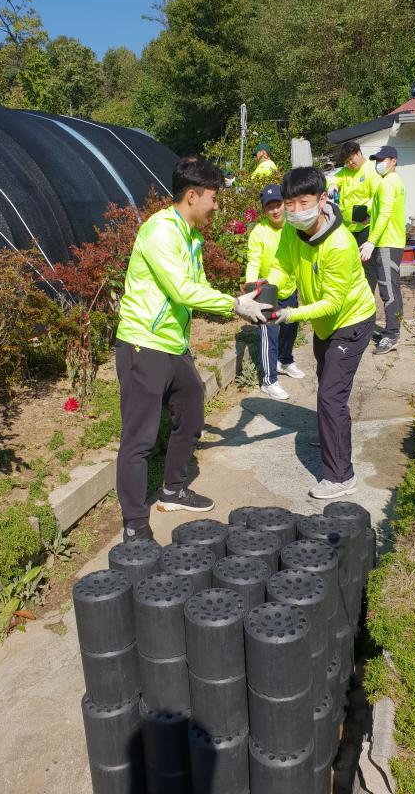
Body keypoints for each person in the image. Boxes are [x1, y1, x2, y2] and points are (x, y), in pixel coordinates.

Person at [115, 157, 271, 540]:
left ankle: (173, 490)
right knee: (139, 440)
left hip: (173, 344)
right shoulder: (160, 232)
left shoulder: (191, 237)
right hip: (143, 343)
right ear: (191, 196)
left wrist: (237, 300)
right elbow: (182, 290)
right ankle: (135, 526)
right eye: (213, 198)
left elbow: (196, 288)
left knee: (191, 412)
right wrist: (234, 306)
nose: (216, 206)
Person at [268, 167, 376, 500]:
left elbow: (332, 303)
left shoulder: (340, 243)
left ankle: (342, 476)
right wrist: (266, 291)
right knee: (326, 385)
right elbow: (282, 266)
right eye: (290, 204)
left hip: (351, 321)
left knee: (331, 396)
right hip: (324, 324)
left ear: (322, 199)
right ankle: (331, 436)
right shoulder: (292, 231)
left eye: (304, 202)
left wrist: (289, 314)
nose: (296, 210)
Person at [245, 183, 305, 400]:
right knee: (268, 336)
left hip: (289, 286)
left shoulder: (293, 226)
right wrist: (251, 288)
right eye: (270, 207)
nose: (275, 210)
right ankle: (268, 381)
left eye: (278, 204)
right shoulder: (259, 232)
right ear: (264, 210)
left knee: (290, 328)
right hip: (267, 292)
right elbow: (253, 261)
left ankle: (285, 361)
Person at [358, 146, 406, 355]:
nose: (379, 164)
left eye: (383, 160)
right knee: (392, 288)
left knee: (388, 291)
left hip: (387, 242)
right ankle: (392, 330)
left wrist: (371, 241)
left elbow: (386, 213)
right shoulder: (394, 181)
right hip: (392, 241)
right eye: (377, 160)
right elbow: (384, 210)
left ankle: (391, 334)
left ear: (393, 160)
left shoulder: (388, 182)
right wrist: (368, 214)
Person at [326, 141, 381, 289]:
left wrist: (365, 211)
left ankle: (368, 295)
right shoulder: (346, 171)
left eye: (351, 159)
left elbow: (377, 196)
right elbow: (334, 178)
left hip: (365, 225)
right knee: (349, 263)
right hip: (347, 227)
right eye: (346, 161)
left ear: (358, 153)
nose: (350, 163)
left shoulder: (371, 169)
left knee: (367, 265)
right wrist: (332, 184)